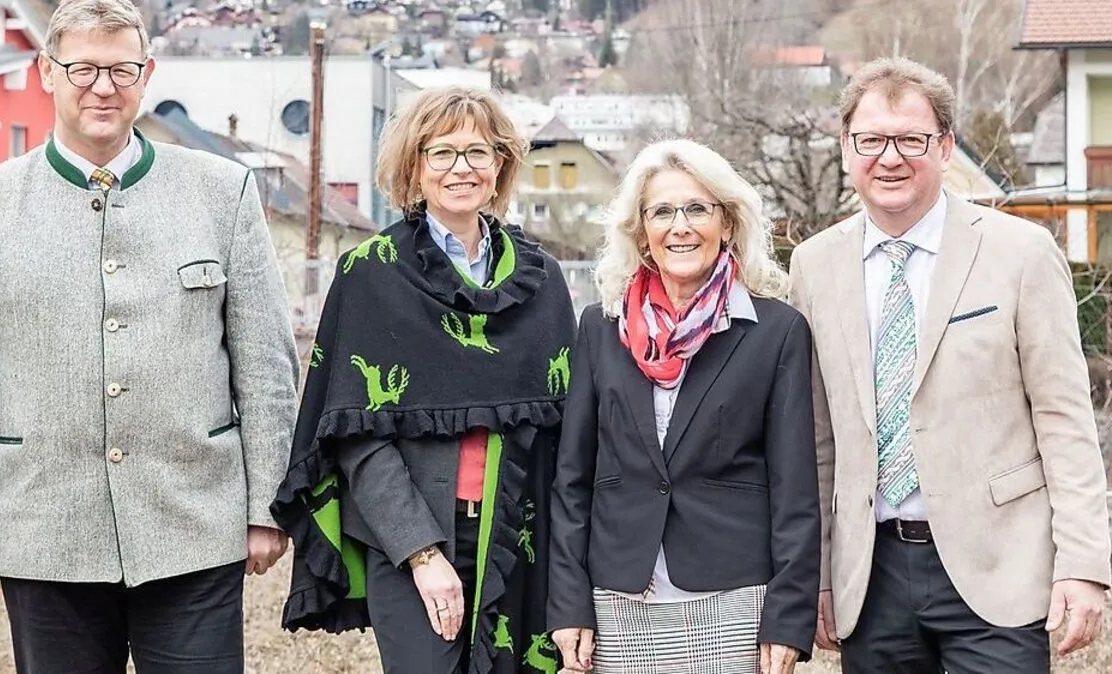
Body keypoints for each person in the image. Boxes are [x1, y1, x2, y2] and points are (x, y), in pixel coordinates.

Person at [0, 0, 298, 671]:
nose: (102, 87)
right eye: (83, 69)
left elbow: (266, 369)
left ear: (146, 75)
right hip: (46, 529)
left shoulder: (221, 193)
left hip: (193, 524)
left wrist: (268, 504)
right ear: (47, 73)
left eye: (121, 70)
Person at [788, 56, 1112, 672]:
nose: (890, 157)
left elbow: (1064, 419)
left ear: (944, 146)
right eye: (871, 140)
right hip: (872, 573)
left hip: (999, 567)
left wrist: (1083, 565)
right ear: (845, 148)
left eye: (910, 139)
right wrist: (820, 573)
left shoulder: (1021, 252)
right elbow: (818, 439)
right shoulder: (813, 265)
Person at [270, 86, 575, 674]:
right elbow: (356, 434)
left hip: (520, 539)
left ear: (500, 165)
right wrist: (419, 553)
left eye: (477, 152)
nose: (461, 168)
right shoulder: (372, 275)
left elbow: (569, 435)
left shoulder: (543, 282)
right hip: (413, 539)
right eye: (442, 153)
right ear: (415, 165)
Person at [548, 139, 820, 674]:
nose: (681, 225)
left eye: (698, 208)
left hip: (734, 600)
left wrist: (789, 617)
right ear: (641, 232)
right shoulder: (600, 330)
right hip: (619, 599)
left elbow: (796, 492)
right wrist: (568, 603)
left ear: (727, 222)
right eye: (662, 211)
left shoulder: (776, 333)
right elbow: (572, 479)